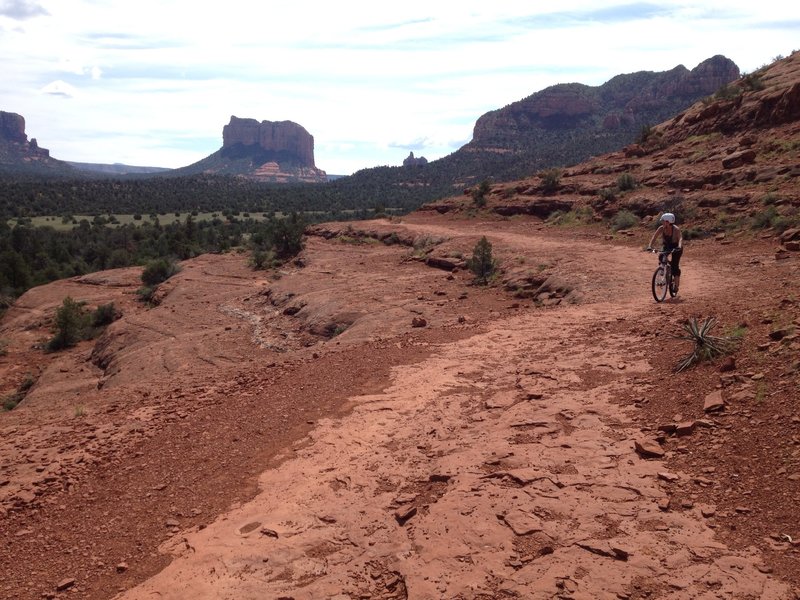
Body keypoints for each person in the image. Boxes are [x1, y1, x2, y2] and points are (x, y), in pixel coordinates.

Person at [647, 212, 683, 292]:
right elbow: (654, 237)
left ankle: (676, 286)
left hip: (676, 247)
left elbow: (680, 238)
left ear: (668, 222)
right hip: (666, 246)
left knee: (675, 266)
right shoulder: (661, 228)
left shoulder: (676, 229)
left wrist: (679, 246)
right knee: (661, 257)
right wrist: (650, 246)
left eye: (663, 221)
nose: (662, 222)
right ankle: (663, 270)